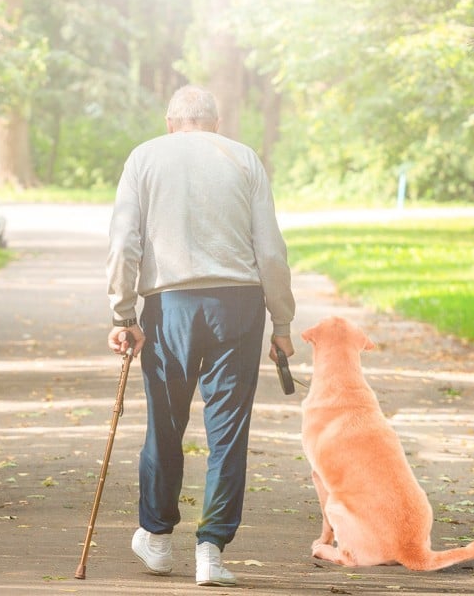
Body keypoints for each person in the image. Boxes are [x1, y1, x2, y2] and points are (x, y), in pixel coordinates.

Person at [106, 84, 296, 586]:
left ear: (171, 122)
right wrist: (282, 323)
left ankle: (158, 539)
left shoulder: (144, 157)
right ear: (216, 122)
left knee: (165, 425)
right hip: (239, 305)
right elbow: (271, 250)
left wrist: (123, 315)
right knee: (228, 433)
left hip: (171, 307)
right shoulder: (244, 159)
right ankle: (212, 550)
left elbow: (124, 241)